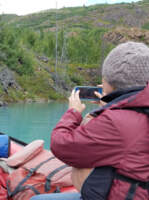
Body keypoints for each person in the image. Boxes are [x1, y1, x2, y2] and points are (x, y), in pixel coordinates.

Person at [30, 41, 149, 200]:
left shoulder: (115, 121)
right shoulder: (135, 110)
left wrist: (73, 112)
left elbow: (62, 145)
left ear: (111, 82)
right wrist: (112, 106)